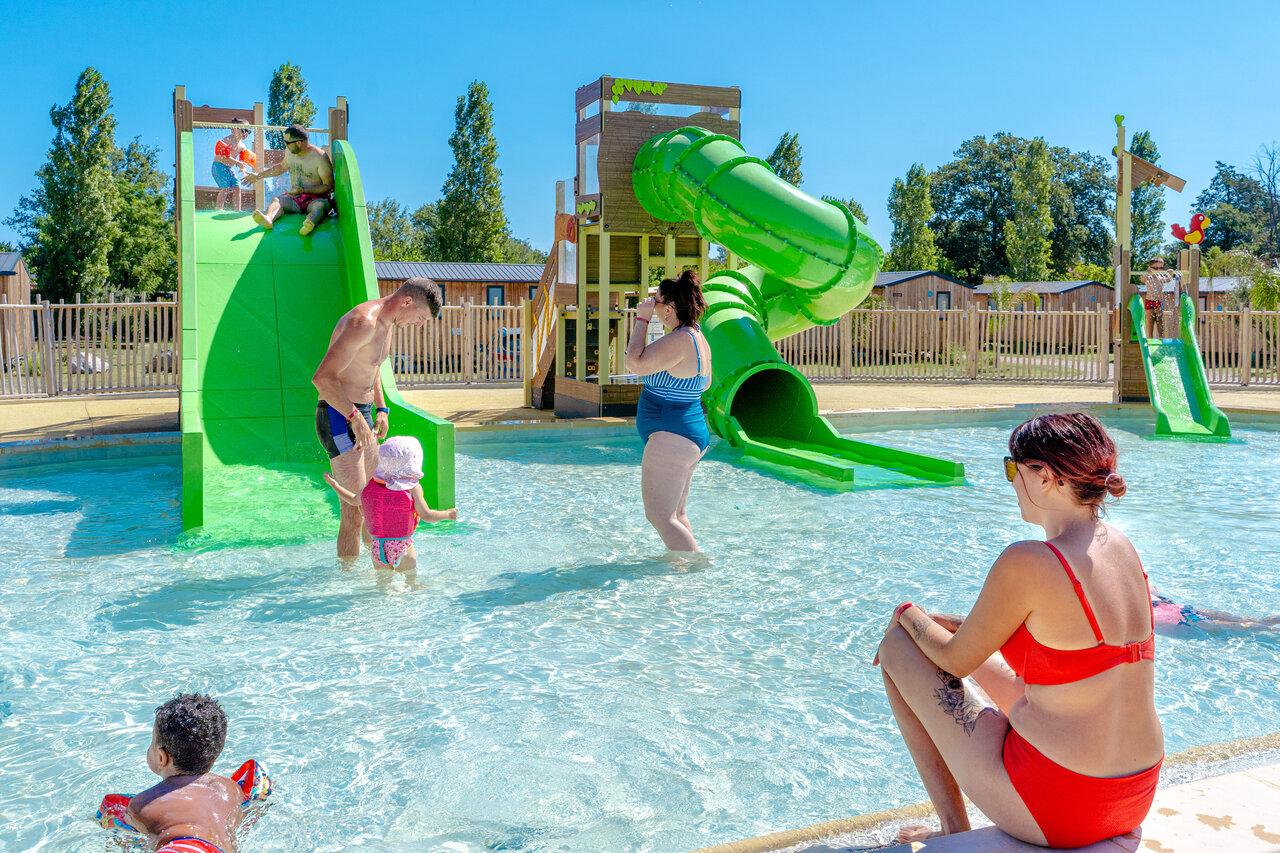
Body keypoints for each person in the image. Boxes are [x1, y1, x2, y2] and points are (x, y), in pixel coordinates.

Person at [875, 413, 1163, 848]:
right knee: (933, 639)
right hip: (1133, 796)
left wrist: (907, 612)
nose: (1011, 481)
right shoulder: (1121, 546)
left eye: (1013, 468)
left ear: (1044, 476)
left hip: (1063, 808)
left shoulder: (1029, 560)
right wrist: (943, 622)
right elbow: (1067, 647)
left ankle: (954, 829)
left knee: (899, 645)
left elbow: (956, 660)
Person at [312, 277, 442, 558]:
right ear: (407, 301)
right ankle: (348, 581)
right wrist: (355, 417)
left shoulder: (387, 324)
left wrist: (381, 409)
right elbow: (322, 378)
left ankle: (377, 575)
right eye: (420, 317)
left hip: (363, 415)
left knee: (376, 505)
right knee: (354, 513)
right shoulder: (363, 322)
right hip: (338, 416)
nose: (419, 325)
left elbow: (374, 369)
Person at [624, 270, 712, 553]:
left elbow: (634, 364)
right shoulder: (696, 337)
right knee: (676, 515)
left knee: (660, 517)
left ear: (669, 308)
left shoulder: (682, 339)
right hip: (685, 434)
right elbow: (704, 384)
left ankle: (696, 572)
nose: (652, 303)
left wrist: (641, 319)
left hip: (673, 435)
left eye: (656, 301)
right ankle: (686, 573)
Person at [123, 694, 245, 853]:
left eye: (152, 742)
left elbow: (125, 842)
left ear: (162, 757)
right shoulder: (230, 790)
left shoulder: (142, 804)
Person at [324, 435, 457, 577]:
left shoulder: (372, 485)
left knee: (382, 586)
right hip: (401, 548)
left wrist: (335, 485)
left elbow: (352, 499)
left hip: (377, 549)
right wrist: (448, 514)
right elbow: (427, 516)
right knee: (412, 584)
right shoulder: (412, 488)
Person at [243, 124, 334, 236]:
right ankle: (268, 219)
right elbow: (281, 167)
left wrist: (303, 190)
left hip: (316, 199)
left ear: (299, 143)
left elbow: (329, 187)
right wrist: (258, 175)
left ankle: (309, 223)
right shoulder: (290, 153)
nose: (285, 145)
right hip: (296, 199)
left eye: (287, 143)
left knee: (319, 206)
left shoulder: (319, 157)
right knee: (278, 200)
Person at [1150, 586, 1280, 632]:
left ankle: (1272, 629)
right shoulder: (1140, 586)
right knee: (1237, 619)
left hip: (1173, 618)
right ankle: (1271, 622)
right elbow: (1154, 588)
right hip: (1179, 609)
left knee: (1227, 626)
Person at [211, 118, 256, 213]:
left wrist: (244, 171)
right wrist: (237, 163)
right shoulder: (227, 140)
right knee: (225, 187)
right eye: (243, 130)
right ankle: (218, 208)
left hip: (228, 168)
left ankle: (237, 210)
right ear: (233, 129)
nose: (246, 133)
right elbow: (223, 155)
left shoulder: (243, 146)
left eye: (248, 131)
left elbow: (242, 161)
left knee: (237, 187)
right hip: (218, 166)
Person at [1140, 257, 1172, 339]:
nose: (1158, 270)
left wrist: (1170, 274)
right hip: (1149, 301)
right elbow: (1142, 279)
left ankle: (1161, 338)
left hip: (1158, 301)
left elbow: (1168, 279)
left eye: (1160, 268)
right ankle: (1149, 338)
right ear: (1150, 267)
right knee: (1150, 321)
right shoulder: (1148, 277)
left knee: (1160, 320)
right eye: (1155, 268)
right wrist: (1147, 272)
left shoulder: (1161, 278)